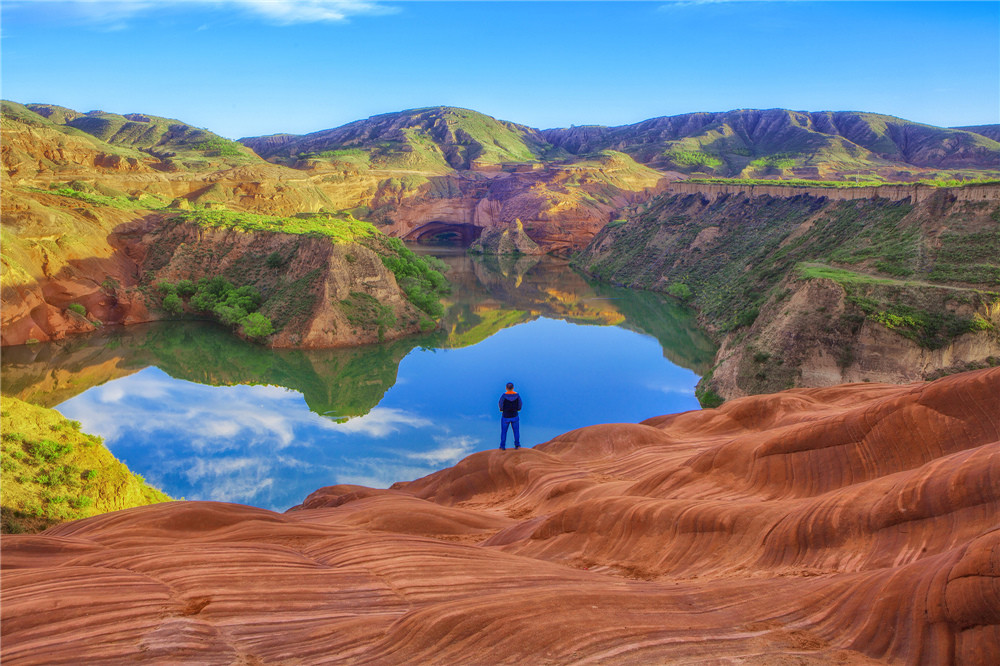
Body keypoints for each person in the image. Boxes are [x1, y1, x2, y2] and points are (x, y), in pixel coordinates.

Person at [498, 382, 522, 450]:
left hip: (505, 416)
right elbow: (520, 404)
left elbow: (500, 404)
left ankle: (502, 446)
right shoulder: (517, 395)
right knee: (516, 431)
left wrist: (502, 410)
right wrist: (517, 409)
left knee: (504, 432)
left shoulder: (504, 396)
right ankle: (517, 445)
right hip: (515, 415)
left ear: (506, 388)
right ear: (513, 388)